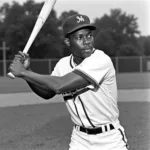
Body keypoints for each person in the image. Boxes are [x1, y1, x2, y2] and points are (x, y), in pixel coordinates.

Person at [9, 14, 129, 150]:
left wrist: (24, 72)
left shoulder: (100, 60)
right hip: (80, 140)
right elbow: (47, 92)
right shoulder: (63, 64)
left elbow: (59, 85)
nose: (87, 41)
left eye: (89, 35)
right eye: (79, 37)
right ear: (67, 41)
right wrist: (27, 72)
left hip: (109, 139)